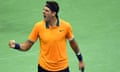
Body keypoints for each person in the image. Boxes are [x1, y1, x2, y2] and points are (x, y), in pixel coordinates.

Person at [8, 1, 85, 72]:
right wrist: (16, 46)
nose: (43, 12)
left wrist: (80, 60)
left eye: (46, 11)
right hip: (44, 68)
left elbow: (73, 43)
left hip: (62, 68)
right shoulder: (38, 26)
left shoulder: (66, 26)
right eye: (43, 10)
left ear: (53, 13)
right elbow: (26, 46)